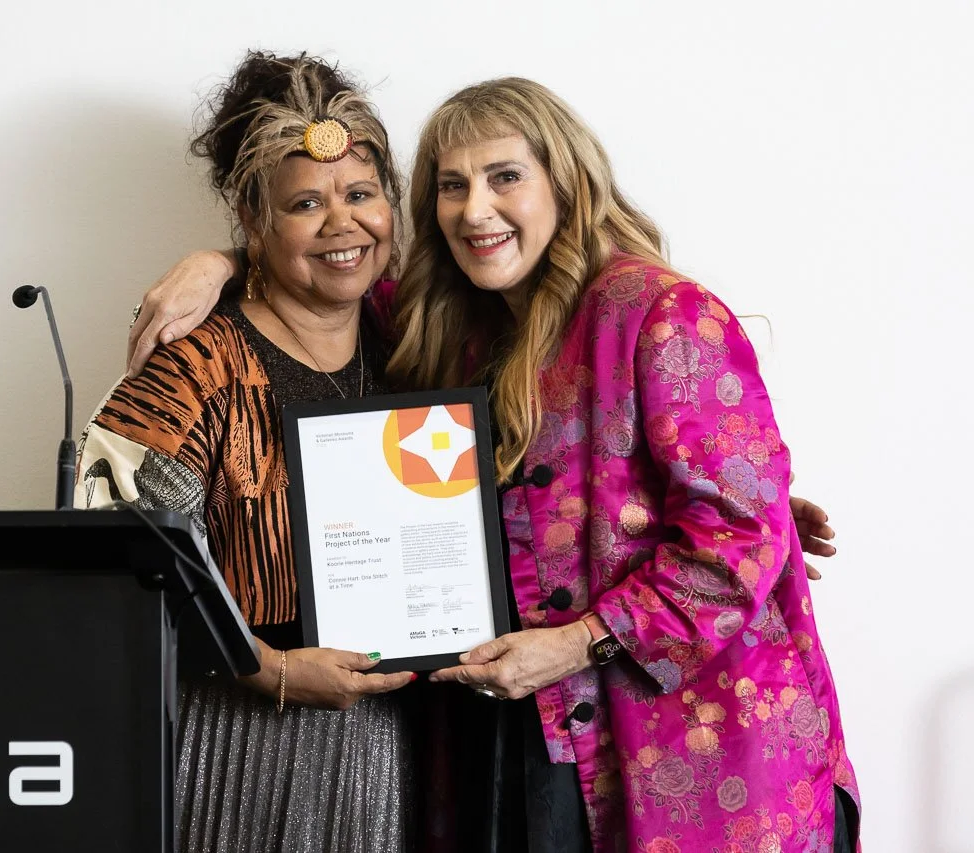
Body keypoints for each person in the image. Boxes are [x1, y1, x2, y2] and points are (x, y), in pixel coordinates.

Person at [127, 74, 858, 852]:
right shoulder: (443, 330)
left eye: (503, 176)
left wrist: (582, 636)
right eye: (451, 185)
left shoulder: (660, 314)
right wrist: (223, 261)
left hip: (690, 760)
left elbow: (737, 538)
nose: (474, 209)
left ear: (565, 180)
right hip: (516, 749)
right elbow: (326, 270)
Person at [74, 52, 417, 852]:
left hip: (386, 745)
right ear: (252, 215)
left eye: (361, 194)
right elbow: (109, 561)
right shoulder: (195, 364)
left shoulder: (411, 343)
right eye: (305, 203)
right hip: (237, 741)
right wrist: (270, 668)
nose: (344, 223)